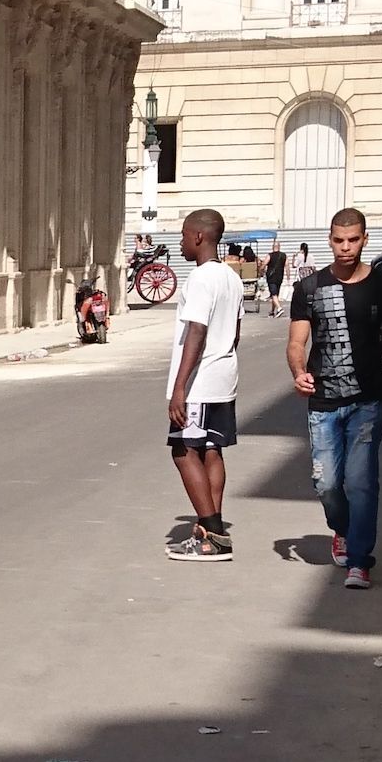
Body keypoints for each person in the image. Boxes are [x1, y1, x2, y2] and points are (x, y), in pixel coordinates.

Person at [287, 206, 382, 590]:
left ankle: (360, 560)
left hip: (368, 401)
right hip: (323, 402)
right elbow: (296, 342)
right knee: (326, 483)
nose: (346, 247)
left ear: (365, 239)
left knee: (361, 482)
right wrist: (298, 372)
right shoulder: (309, 288)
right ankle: (342, 528)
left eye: (353, 240)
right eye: (339, 240)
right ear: (329, 240)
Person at [164, 206, 244, 559]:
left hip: (200, 382)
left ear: (198, 236)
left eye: (183, 235)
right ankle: (209, 527)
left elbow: (197, 330)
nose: (181, 243)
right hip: (224, 376)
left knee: (183, 451)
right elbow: (235, 333)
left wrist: (180, 387)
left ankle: (213, 534)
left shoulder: (200, 278)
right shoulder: (231, 277)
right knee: (212, 449)